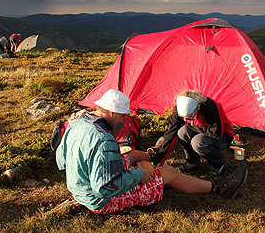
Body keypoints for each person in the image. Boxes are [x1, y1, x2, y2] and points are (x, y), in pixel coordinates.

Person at [56, 89, 247, 214]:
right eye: (122, 116)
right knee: (169, 173)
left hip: (79, 187)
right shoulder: (103, 139)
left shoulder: (77, 122)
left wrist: (110, 161)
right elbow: (104, 189)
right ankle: (220, 187)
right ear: (112, 112)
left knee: (129, 154)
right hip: (101, 200)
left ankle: (153, 158)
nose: (123, 121)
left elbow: (61, 160)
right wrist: (138, 174)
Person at [150, 90, 235, 175]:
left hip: (223, 136)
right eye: (183, 117)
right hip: (203, 133)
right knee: (182, 132)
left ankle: (219, 164)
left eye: (189, 117)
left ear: (198, 107)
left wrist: (193, 126)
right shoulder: (179, 109)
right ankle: (192, 162)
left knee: (197, 142)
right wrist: (160, 160)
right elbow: (171, 133)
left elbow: (216, 133)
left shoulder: (211, 106)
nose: (186, 120)